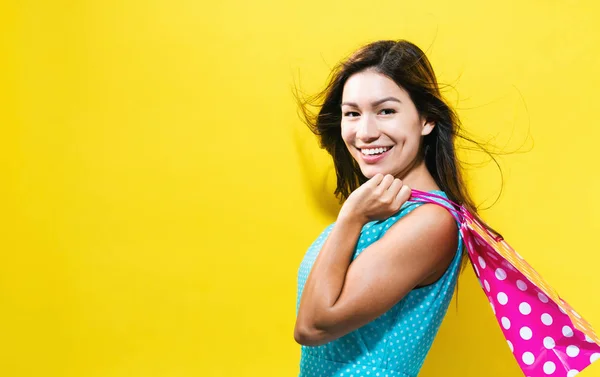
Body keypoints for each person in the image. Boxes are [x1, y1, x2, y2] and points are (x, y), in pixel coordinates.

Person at [294, 39, 488, 377]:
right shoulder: (386, 208)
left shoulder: (431, 222)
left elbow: (312, 327)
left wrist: (351, 216)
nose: (365, 132)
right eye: (352, 113)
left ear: (426, 119)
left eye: (386, 111)